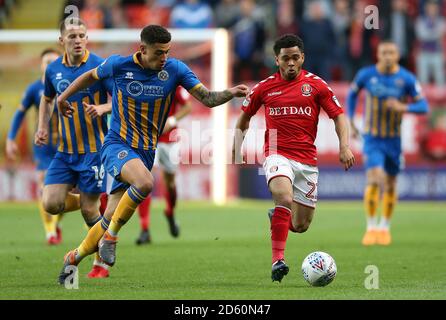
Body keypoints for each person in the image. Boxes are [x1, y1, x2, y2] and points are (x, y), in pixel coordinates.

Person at [56, 24, 248, 284]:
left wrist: (231, 93)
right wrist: (62, 98)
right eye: (158, 53)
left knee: (110, 215)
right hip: (117, 145)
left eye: (167, 52)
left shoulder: (175, 69)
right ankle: (111, 238)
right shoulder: (118, 65)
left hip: (145, 151)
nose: (164, 58)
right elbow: (90, 76)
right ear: (142, 49)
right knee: (146, 182)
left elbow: (207, 98)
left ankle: (73, 257)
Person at [232, 34, 355, 283]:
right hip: (277, 153)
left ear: (302, 58)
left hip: (307, 161)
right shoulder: (264, 87)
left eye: (295, 58)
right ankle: (278, 260)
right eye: (285, 58)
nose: (290, 63)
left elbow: (339, 116)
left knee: (300, 226)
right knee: (284, 196)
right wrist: (236, 148)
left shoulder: (316, 85)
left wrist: (345, 146)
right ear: (276, 59)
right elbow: (244, 119)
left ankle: (278, 216)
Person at [34, 18, 113, 279]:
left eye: (81, 35)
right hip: (64, 152)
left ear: (87, 38)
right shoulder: (53, 69)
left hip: (93, 151)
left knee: (90, 210)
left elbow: (121, 99)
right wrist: (42, 127)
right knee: (50, 203)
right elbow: (46, 99)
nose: (77, 40)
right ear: (61, 41)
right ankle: (101, 216)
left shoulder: (99, 66)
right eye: (72, 36)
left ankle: (102, 254)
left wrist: (102, 108)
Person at [347, 40, 429, 246]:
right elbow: (352, 94)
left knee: (391, 184)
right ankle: (371, 227)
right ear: (378, 54)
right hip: (372, 138)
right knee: (375, 178)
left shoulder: (406, 79)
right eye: (384, 52)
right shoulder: (366, 75)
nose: (387, 56)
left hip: (394, 140)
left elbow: (423, 105)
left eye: (391, 52)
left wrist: (403, 108)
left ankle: (384, 227)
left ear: (397, 54)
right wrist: (350, 119)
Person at [6, 48, 62, 245]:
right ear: (41, 65)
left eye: (54, 61)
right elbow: (20, 113)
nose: (49, 65)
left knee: (66, 194)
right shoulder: (33, 89)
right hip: (43, 145)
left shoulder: (68, 85)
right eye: (46, 61)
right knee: (43, 183)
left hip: (67, 144)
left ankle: (55, 222)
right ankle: (50, 232)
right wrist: (11, 138)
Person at [136, 86, 192, 245]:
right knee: (144, 181)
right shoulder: (141, 81)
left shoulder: (174, 81)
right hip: (147, 139)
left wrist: (172, 120)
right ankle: (144, 229)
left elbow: (188, 106)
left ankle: (170, 212)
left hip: (170, 140)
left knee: (170, 183)